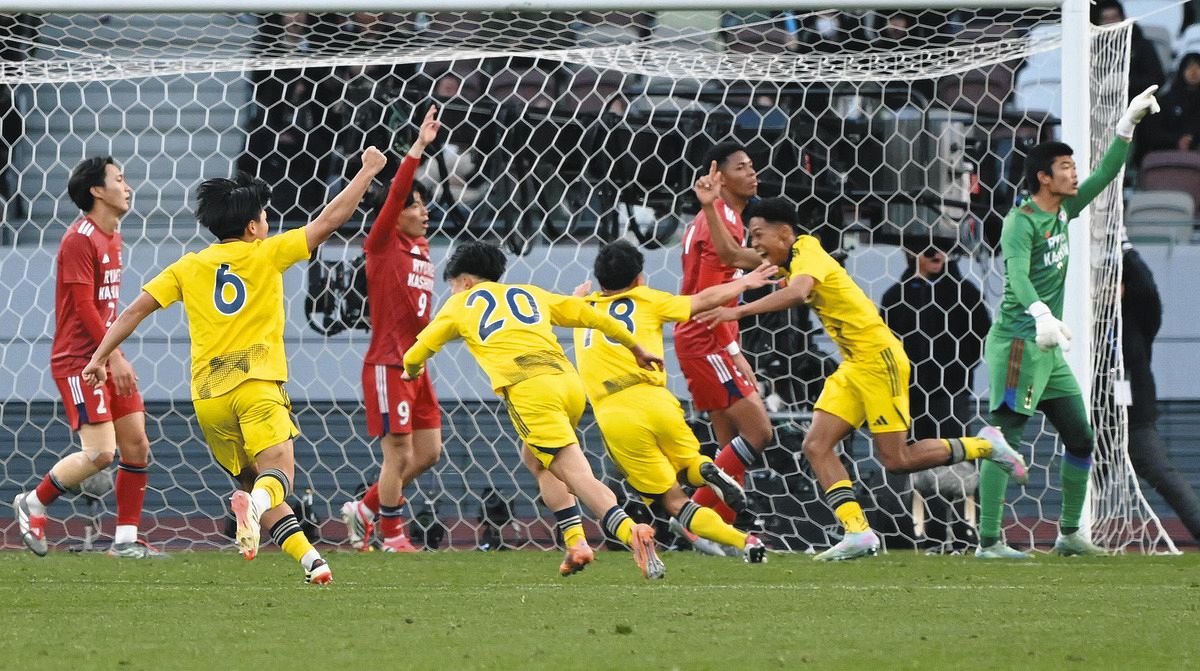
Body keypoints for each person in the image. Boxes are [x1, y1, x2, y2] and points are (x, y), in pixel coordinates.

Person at [82, 146, 389, 584]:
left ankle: (312, 562)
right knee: (278, 475)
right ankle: (256, 508)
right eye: (264, 217)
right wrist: (367, 172)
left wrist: (98, 358)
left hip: (209, 399)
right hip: (257, 385)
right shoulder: (266, 252)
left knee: (254, 484)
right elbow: (329, 221)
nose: (268, 223)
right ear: (251, 227)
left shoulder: (189, 266)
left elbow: (132, 311)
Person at [692, 194, 1029, 561]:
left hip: (879, 360)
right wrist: (710, 206)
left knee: (897, 459)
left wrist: (736, 312)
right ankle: (858, 533)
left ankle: (985, 444)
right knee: (816, 446)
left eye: (757, 235)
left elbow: (799, 292)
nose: (753, 244)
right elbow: (730, 258)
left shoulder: (809, 252)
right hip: (854, 365)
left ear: (785, 233)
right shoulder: (788, 257)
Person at [401, 241, 667, 579]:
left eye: (452, 285)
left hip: (529, 389)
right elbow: (593, 315)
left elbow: (417, 351)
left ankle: (632, 532)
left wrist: (412, 370)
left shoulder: (459, 304)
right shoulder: (530, 293)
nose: (452, 292)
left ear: (465, 282)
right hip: (567, 382)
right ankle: (576, 543)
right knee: (537, 460)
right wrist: (637, 349)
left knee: (576, 474)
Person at [976, 86, 1160, 559]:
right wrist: (1040, 315)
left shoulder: (1065, 210)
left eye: (1073, 166)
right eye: (1065, 168)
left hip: (1048, 345)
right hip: (1020, 342)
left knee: (1081, 435)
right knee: (1005, 439)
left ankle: (1070, 534)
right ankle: (990, 541)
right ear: (1042, 177)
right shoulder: (1022, 221)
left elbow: (1106, 173)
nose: (1075, 173)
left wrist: (1126, 126)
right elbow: (1015, 275)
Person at [573, 240, 779, 563]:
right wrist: (744, 282)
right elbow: (702, 301)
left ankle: (745, 542)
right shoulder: (649, 299)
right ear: (640, 279)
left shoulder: (582, 311)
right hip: (657, 400)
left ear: (600, 282)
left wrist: (577, 298)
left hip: (614, 412)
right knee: (688, 465)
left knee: (675, 502)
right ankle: (704, 470)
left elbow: (563, 308)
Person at [12, 156, 165, 559]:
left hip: (105, 353)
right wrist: (113, 358)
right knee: (101, 453)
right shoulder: (79, 239)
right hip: (80, 361)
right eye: (118, 179)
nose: (127, 186)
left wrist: (114, 355)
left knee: (136, 446)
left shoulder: (112, 234)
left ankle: (126, 541)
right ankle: (34, 502)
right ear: (97, 191)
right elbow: (83, 309)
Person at [340, 106, 444, 553]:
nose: (423, 212)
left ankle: (365, 507)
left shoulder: (420, 247)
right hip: (387, 364)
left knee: (429, 452)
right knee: (397, 455)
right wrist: (417, 148)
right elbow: (397, 189)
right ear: (394, 213)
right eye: (415, 205)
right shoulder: (382, 243)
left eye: (423, 204)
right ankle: (391, 536)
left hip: (416, 367)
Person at [675, 142, 774, 526]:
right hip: (704, 338)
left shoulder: (722, 219)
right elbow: (717, 283)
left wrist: (735, 350)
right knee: (759, 431)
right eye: (742, 168)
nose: (752, 173)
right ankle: (687, 517)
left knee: (730, 444)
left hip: (711, 338)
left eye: (753, 166)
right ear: (718, 176)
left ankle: (726, 528)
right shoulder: (720, 219)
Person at [880, 243, 992, 550]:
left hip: (950, 391)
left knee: (956, 458)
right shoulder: (895, 295)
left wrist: (959, 370)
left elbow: (981, 332)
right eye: (926, 249)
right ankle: (925, 532)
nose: (934, 255)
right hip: (910, 394)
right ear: (909, 252)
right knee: (917, 461)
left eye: (941, 249)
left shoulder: (964, 292)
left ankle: (963, 532)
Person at [1120, 242, 1200, 545]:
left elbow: (1147, 289)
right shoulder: (1084, 322)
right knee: (1077, 467)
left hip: (1134, 415)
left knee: (1161, 471)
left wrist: (1127, 253)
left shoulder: (1140, 322)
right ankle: (1073, 532)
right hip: (1091, 415)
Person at [1092, 0, 1165, 106]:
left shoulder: (1141, 45)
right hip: (1103, 108)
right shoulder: (1094, 48)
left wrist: (1126, 81)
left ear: (1123, 18)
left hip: (1138, 107)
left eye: (1114, 17)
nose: (1111, 22)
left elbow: (1157, 80)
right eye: (1106, 18)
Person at [1139, 52, 1200, 157]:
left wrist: (1191, 139)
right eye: (1189, 67)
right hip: (1166, 157)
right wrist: (1176, 140)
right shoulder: (1167, 100)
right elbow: (1153, 134)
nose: (1193, 72)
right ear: (1181, 70)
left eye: (1198, 68)